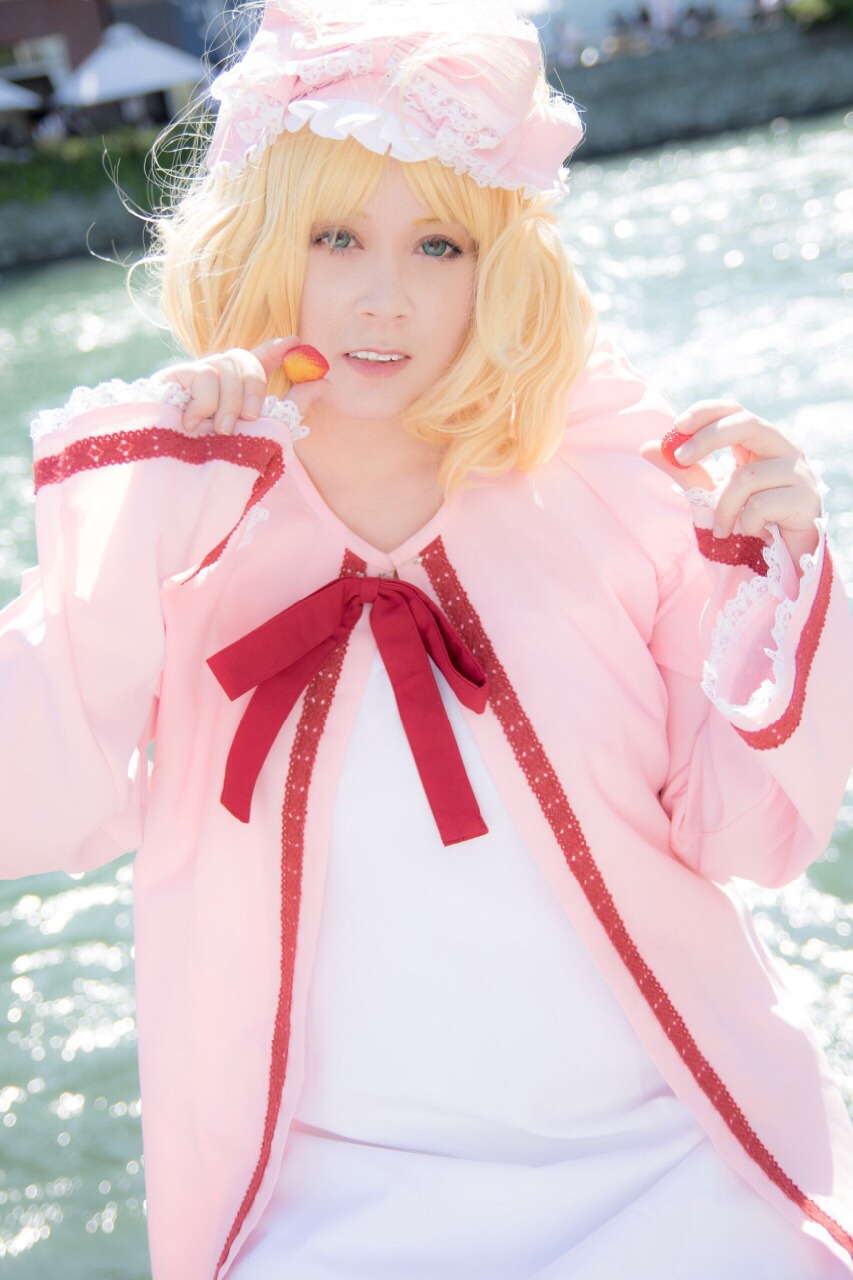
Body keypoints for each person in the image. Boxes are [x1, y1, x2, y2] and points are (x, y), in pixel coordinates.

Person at [2, 1, 852, 1277]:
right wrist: (149, 508)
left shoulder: (610, 480)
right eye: (335, 236)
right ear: (265, 243)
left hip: (669, 1163)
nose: (384, 298)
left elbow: (744, 836)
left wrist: (768, 572)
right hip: (323, 1205)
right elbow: (33, 798)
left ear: (495, 265)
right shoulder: (180, 507)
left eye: (440, 244)